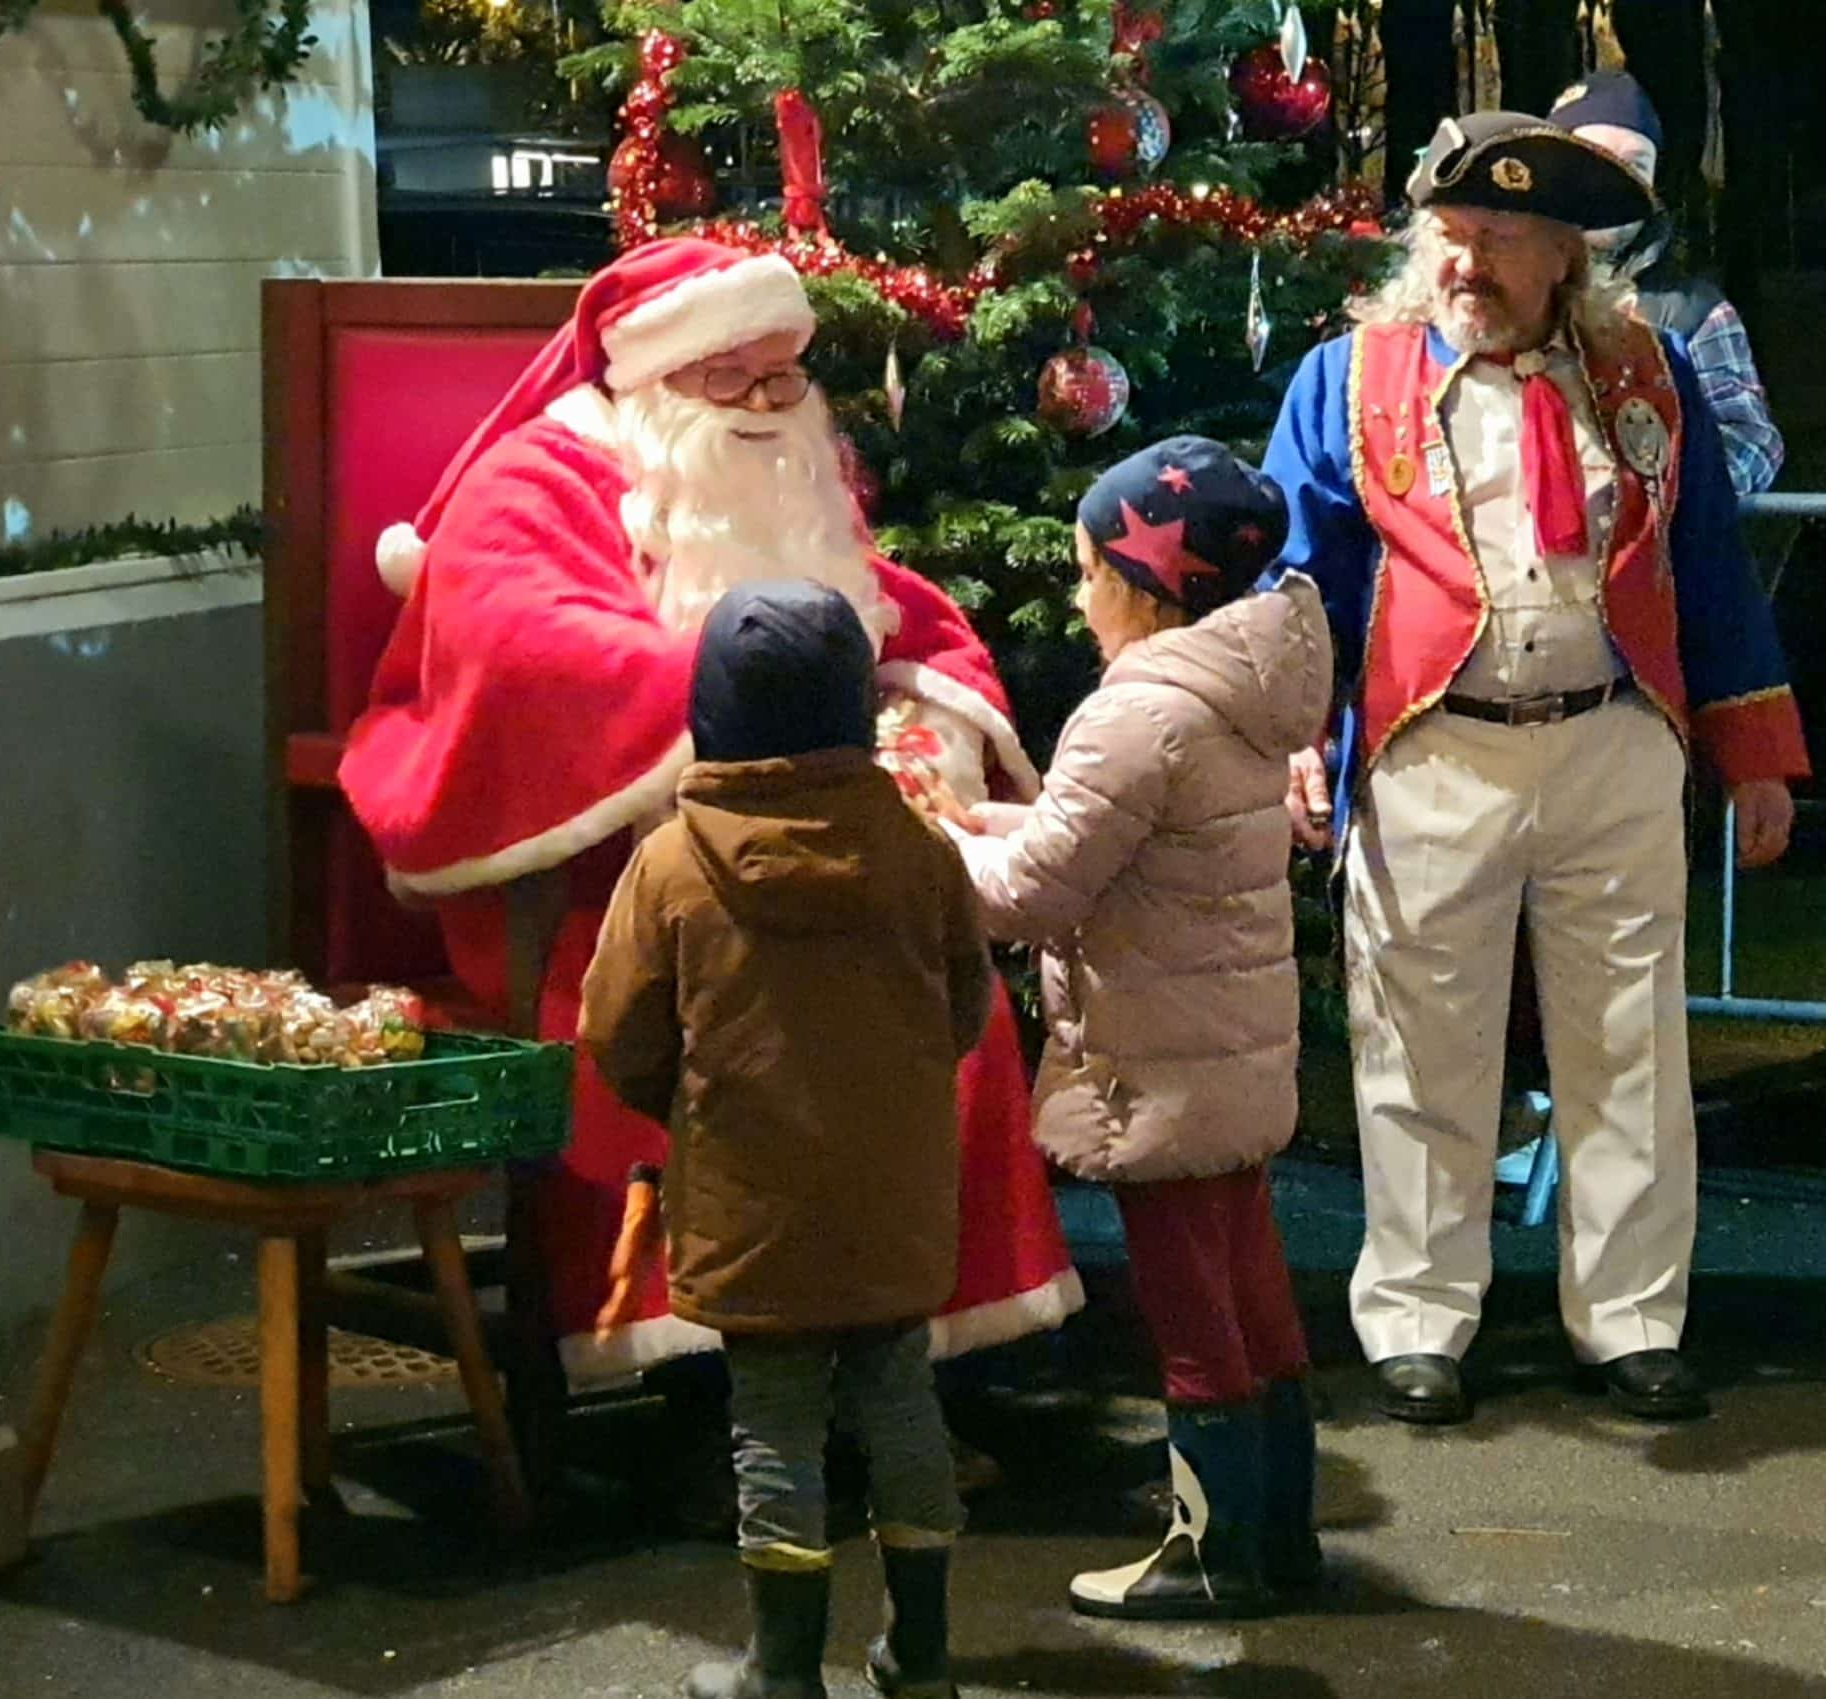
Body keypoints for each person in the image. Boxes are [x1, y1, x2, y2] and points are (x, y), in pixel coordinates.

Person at [336, 239, 1081, 1440]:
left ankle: (914, 1351)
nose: (767, 406)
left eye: (786, 377)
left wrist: (914, 729)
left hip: (810, 858)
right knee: (699, 1032)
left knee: (949, 1015)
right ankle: (715, 1377)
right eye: (730, 379)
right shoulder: (535, 479)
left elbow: (885, 610)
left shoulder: (790, 462)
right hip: (606, 888)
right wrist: (768, 702)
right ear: (655, 379)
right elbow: (524, 650)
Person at [1264, 112, 1811, 1426]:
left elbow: (1711, 569)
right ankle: (1416, 1317)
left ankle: (1630, 1319)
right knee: (1417, 1049)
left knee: (1629, 1045)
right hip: (1430, 747)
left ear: (1566, 252)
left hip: (1614, 738)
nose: (1469, 264)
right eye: (1452, 237)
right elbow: (1300, 578)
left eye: (1502, 241)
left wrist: (1757, 756)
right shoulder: (1346, 378)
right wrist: (1296, 727)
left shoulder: (1652, 374)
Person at [948, 439, 1331, 1619]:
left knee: (1187, 1312)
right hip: (1230, 1045)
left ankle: (1209, 1557)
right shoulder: (1238, 692)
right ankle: (1280, 1536)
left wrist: (929, 845)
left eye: (1085, 569)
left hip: (1158, 1060)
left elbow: (1031, 895)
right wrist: (995, 815)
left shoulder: (1134, 714)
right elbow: (1127, 842)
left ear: (1143, 579)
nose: (1074, 595)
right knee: (1251, 1284)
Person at [581, 580, 983, 1699]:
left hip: (753, 1193)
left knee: (775, 1430)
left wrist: (694, 1109)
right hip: (893, 1186)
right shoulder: (914, 849)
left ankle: (784, 1668)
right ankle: (923, 1655)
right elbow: (965, 1006)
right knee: (904, 1404)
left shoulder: (670, 864)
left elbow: (616, 1032)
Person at [1548, 70, 1786, 497]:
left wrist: (1661, 494)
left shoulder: (1694, 312)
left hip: (1647, 555)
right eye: (1598, 156)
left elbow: (1754, 440)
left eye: (1637, 164)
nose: (1617, 178)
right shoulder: (1501, 288)